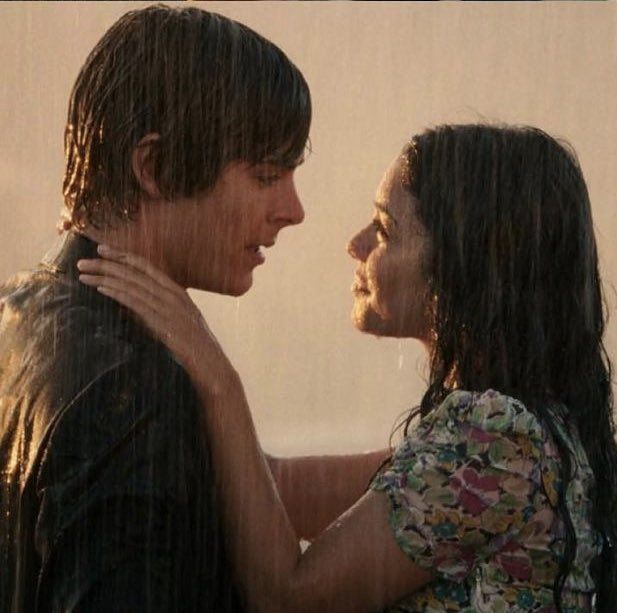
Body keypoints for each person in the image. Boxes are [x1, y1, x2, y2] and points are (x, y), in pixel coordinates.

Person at [79, 124, 617, 612]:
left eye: (383, 230)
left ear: (464, 261)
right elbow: (276, 487)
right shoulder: (524, 433)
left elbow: (288, 598)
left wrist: (217, 376)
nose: (355, 245)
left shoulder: (493, 438)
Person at [0, 5, 310, 612]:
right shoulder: (135, 390)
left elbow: (263, 481)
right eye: (267, 174)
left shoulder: (20, 311)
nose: (293, 209)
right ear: (155, 166)